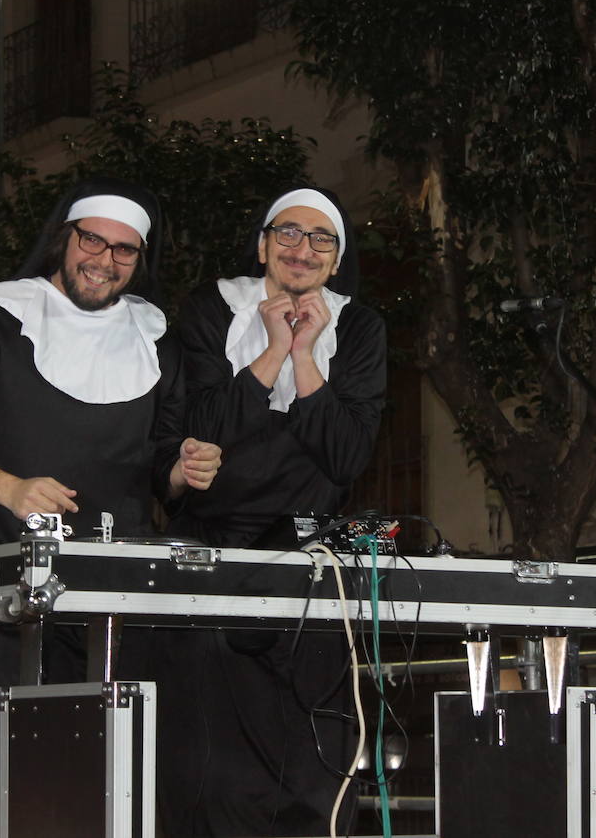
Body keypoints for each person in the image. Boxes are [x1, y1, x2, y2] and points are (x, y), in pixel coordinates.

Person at [0, 176, 221, 838]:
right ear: (62, 239)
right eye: (92, 241)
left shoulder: (155, 337)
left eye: (124, 251)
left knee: (117, 775)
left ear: (140, 260)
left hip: (117, 598)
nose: (104, 260)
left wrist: (186, 469)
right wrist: (7, 487)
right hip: (10, 594)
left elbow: (162, 463)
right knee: (5, 775)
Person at [161, 185, 388, 836]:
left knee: (312, 766)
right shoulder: (212, 309)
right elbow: (203, 426)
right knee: (213, 769)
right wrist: (269, 348)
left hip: (310, 566)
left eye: (322, 239)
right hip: (210, 557)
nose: (302, 249)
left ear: (336, 260)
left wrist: (308, 355)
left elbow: (346, 457)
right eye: (288, 233)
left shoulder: (360, 327)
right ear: (262, 244)